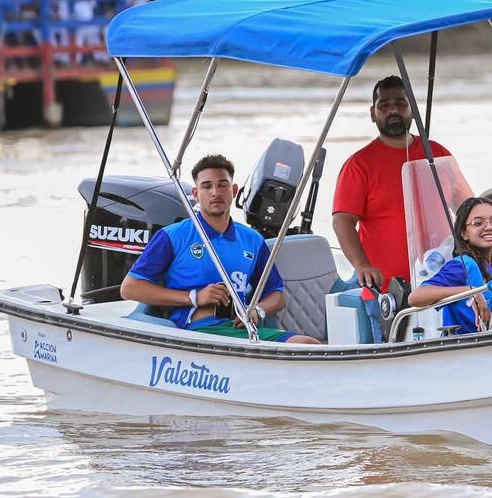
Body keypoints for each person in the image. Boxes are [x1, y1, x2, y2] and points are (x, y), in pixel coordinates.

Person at [120, 154, 318, 343]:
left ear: (234, 190)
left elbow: (277, 294)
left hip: (243, 329)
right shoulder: (173, 236)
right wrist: (194, 297)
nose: (215, 192)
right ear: (196, 194)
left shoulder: (253, 240)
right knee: (306, 344)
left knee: (308, 344)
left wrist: (258, 310)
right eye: (207, 186)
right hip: (199, 331)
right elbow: (130, 288)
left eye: (222, 185)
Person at [332, 75, 452, 293]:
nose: (393, 111)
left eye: (400, 104)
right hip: (386, 291)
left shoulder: (437, 153)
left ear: (412, 108)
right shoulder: (358, 165)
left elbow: (465, 207)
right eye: (384, 106)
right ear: (373, 113)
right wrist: (362, 265)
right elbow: (342, 221)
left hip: (442, 282)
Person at [408, 197, 492, 334]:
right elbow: (415, 297)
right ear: (464, 233)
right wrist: (470, 291)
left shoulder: (490, 267)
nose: (489, 227)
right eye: (478, 223)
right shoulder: (464, 264)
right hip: (464, 346)